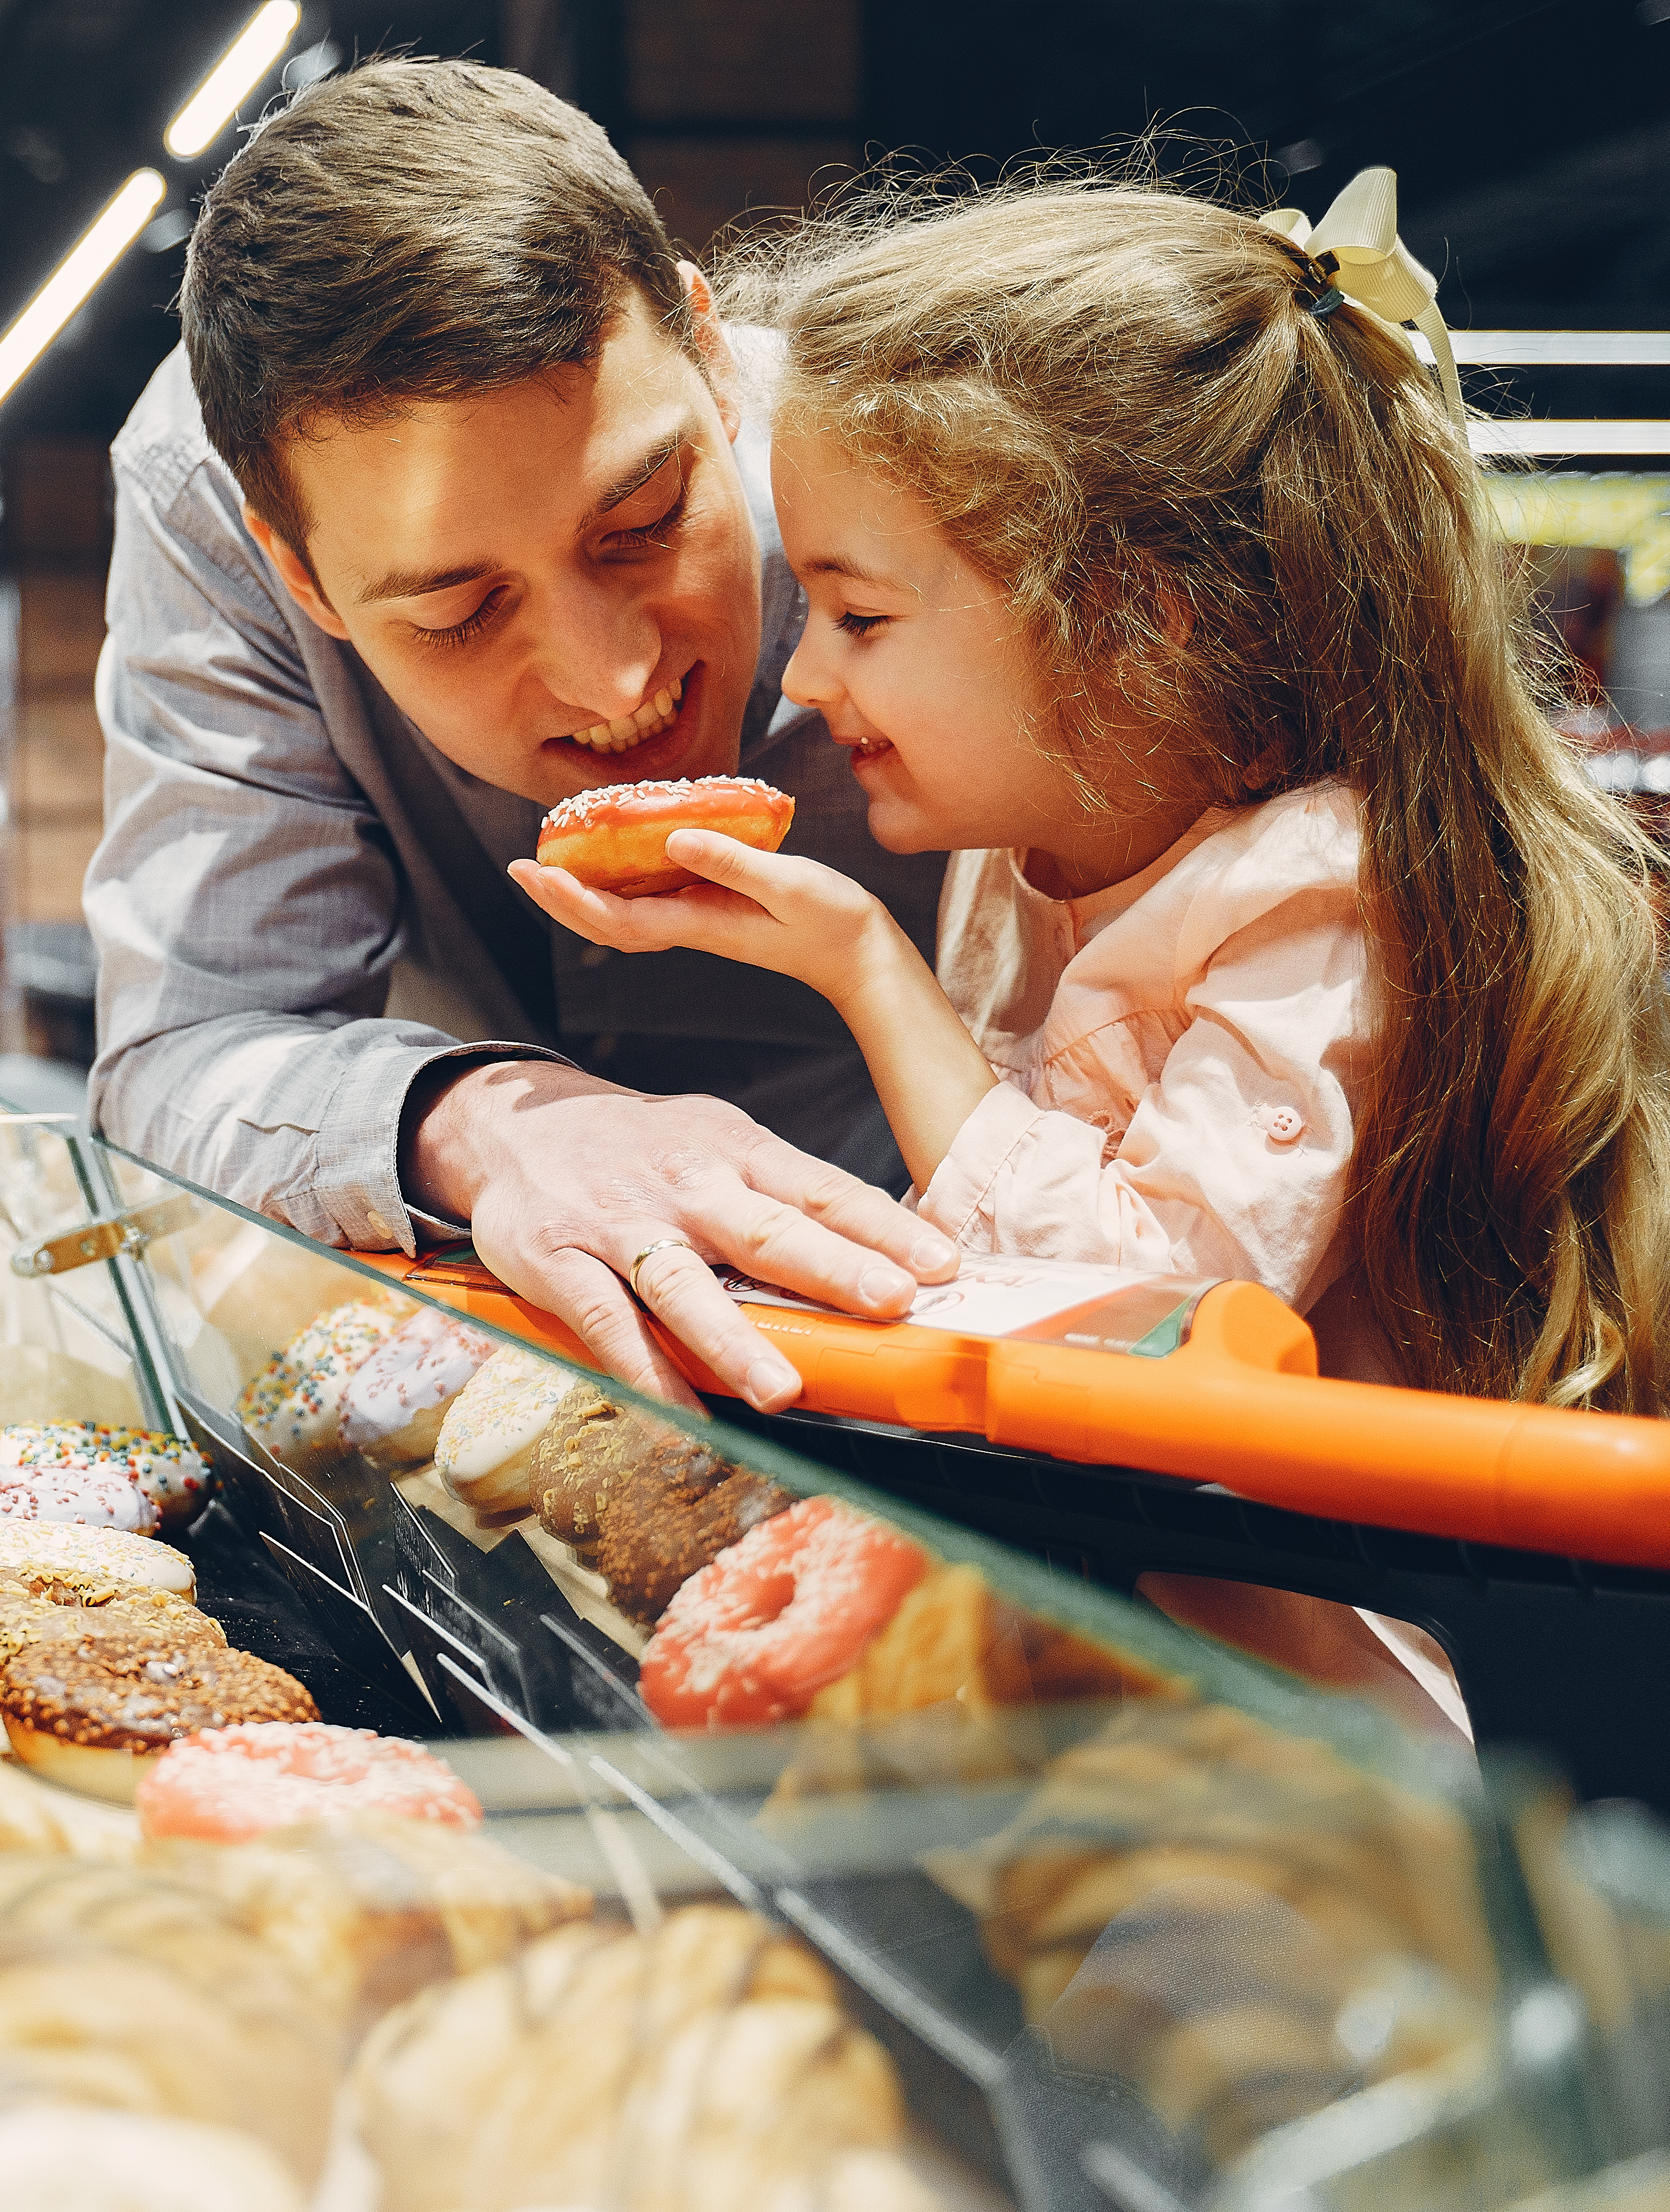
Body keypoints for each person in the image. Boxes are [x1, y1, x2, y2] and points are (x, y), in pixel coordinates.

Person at [510, 175, 1670, 1733]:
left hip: (1311, 1697)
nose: (800, 674)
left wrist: (868, 973)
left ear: (1134, 615)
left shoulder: (1322, 888)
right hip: (1086, 1607)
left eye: (855, 613)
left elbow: (1151, 1322)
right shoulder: (1015, 846)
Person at [85, 59, 964, 1417]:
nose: (614, 678)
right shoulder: (213, 495)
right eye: (457, 610)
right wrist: (491, 1126)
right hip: (514, 1355)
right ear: (298, 573)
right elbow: (189, 1047)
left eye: (647, 522)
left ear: (714, 360)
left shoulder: (947, 452)